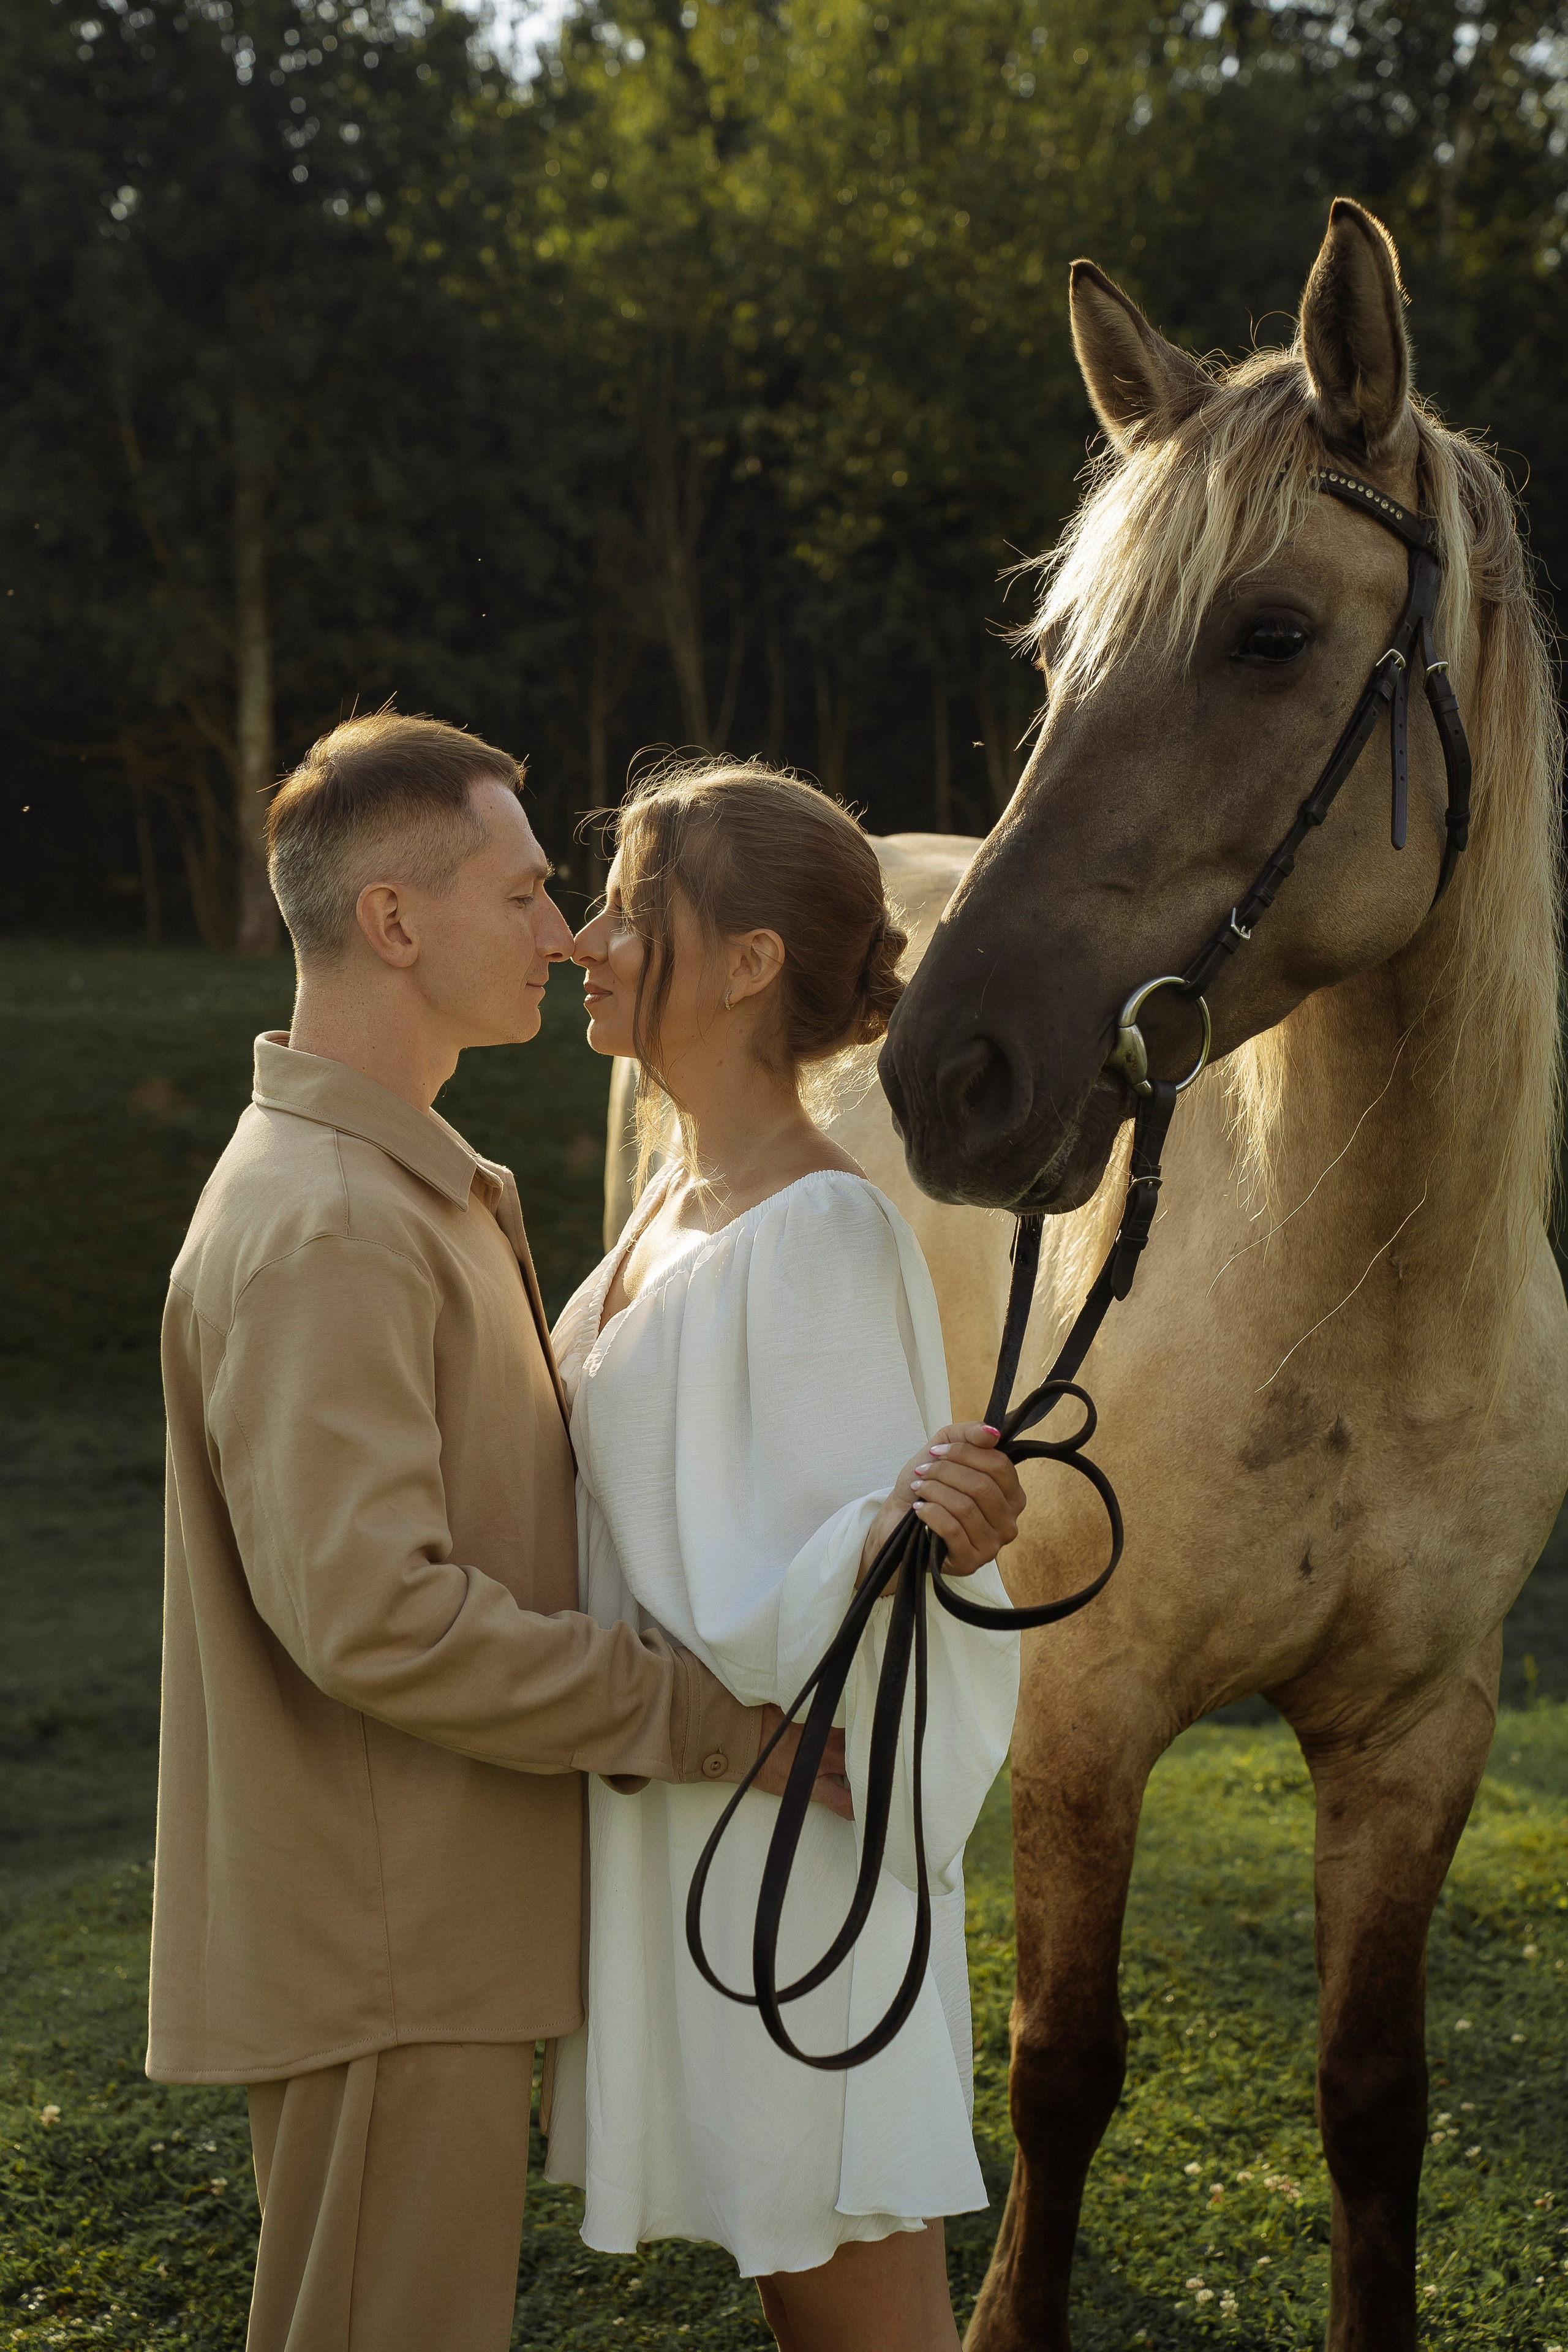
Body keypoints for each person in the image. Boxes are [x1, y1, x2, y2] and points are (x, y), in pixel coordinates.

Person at [149, 712, 845, 2352]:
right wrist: (705, 1721)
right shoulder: (325, 1220)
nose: (568, 931)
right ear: (395, 923)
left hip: (425, 1934)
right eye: (528, 893)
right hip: (390, 1950)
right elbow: (379, 1618)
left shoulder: (394, 1188)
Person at [546, 761, 1025, 2352]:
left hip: (796, 1878)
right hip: (698, 1836)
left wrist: (918, 1525)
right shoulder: (676, 1203)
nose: (586, 938)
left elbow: (839, 1602)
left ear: (750, 960)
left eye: (632, 903)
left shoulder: (822, 1231)